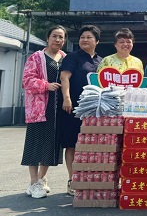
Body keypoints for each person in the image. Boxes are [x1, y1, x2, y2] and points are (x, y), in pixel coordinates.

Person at [21, 25, 67, 199]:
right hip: (39, 109)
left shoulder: (65, 58)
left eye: (61, 37)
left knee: (50, 144)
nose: (57, 40)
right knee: (35, 143)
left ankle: (41, 179)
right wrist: (45, 85)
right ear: (48, 38)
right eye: (54, 36)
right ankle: (33, 182)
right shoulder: (36, 57)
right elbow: (27, 80)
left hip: (57, 109)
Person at [60, 25, 102, 195]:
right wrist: (67, 98)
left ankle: (88, 179)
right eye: (82, 37)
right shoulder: (72, 57)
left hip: (94, 110)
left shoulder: (101, 61)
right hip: (73, 108)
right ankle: (72, 180)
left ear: (97, 41)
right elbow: (64, 77)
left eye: (89, 37)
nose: (85, 40)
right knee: (72, 143)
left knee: (90, 144)